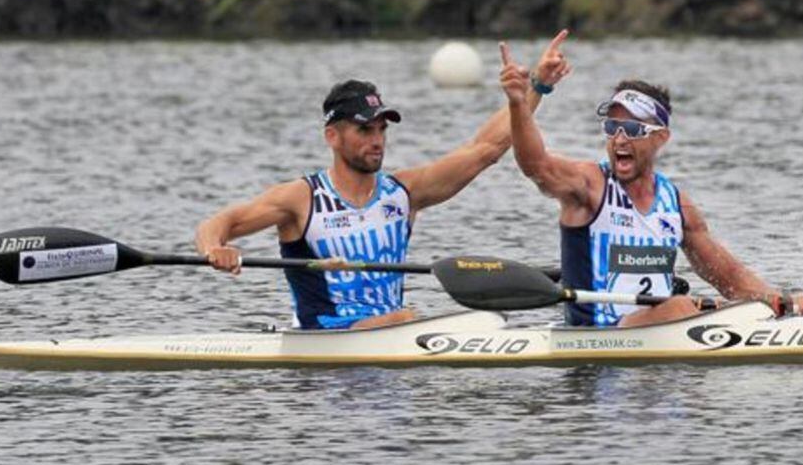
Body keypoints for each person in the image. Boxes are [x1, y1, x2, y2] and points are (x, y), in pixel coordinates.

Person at [196, 31, 571, 330]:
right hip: (326, 344)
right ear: (333, 137)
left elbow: (485, 149)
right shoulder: (302, 198)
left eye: (380, 129)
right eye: (364, 130)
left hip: (389, 344)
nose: (376, 139)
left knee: (405, 318)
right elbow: (219, 224)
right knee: (408, 317)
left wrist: (531, 90)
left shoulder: (403, 193)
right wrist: (216, 249)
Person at [498, 54, 803, 327]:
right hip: (597, 340)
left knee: (731, 308)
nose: (620, 139)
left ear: (661, 138)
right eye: (612, 127)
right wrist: (518, 103)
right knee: (682, 308)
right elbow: (535, 165)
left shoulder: (676, 204)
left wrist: (784, 302)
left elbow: (730, 278)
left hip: (659, 338)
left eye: (634, 129)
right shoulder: (587, 186)